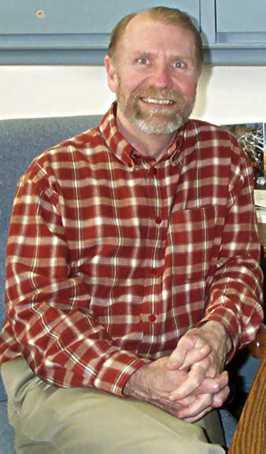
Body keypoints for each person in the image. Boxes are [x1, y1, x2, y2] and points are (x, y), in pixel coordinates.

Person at [0, 6, 263, 454]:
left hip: (177, 377)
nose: (162, 81)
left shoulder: (223, 158)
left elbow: (238, 267)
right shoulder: (53, 175)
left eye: (179, 64)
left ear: (197, 77)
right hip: (62, 379)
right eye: (143, 60)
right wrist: (138, 378)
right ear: (111, 72)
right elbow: (39, 317)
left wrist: (217, 334)